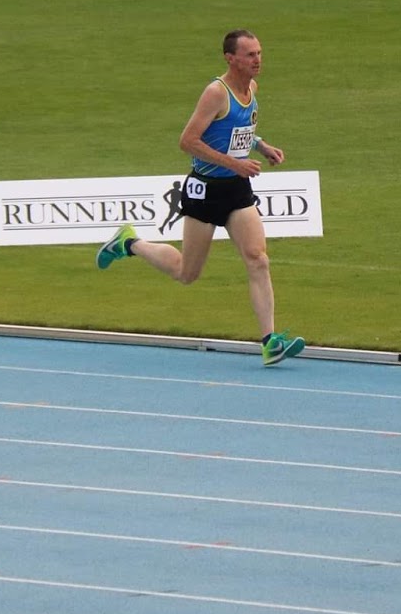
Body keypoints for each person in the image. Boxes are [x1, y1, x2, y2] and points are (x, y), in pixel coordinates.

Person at [95, 30, 305, 367]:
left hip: (236, 189)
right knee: (186, 273)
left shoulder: (251, 88)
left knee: (258, 258)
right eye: (250, 54)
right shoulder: (215, 93)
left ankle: (270, 341)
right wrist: (234, 163)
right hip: (205, 189)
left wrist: (260, 145)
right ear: (230, 58)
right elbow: (188, 141)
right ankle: (129, 243)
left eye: (259, 53)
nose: (258, 60)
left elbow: (235, 130)